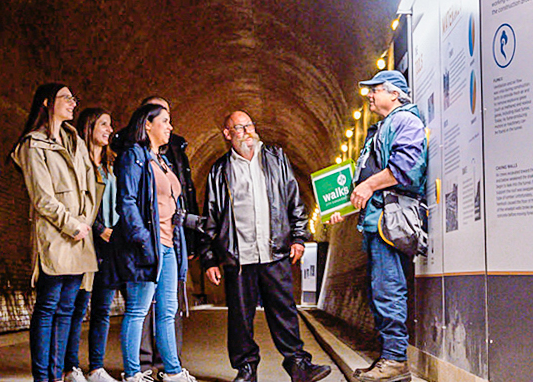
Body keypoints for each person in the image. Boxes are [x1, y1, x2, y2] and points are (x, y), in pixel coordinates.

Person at [201, 111, 332, 382]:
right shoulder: (219, 170)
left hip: (274, 252)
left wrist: (298, 237)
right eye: (240, 128)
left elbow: (293, 199)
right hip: (238, 257)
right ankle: (246, 368)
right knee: (240, 317)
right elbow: (211, 216)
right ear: (228, 134)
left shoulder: (275, 158)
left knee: (283, 310)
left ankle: (298, 364)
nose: (248, 132)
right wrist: (209, 257)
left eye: (250, 126)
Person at [329, 71, 427, 382]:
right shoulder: (380, 129)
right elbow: (366, 180)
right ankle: (388, 358)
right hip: (376, 221)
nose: (370, 96)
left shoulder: (405, 122)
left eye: (376, 90)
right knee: (380, 291)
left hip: (391, 221)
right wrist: (343, 210)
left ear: (395, 94)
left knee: (389, 290)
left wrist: (369, 185)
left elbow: (405, 168)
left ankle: (396, 361)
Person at [12, 83, 98, 382]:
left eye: (74, 97)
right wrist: (73, 225)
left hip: (79, 234)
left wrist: (85, 220)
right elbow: (42, 197)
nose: (73, 103)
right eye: (66, 98)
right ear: (47, 103)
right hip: (54, 234)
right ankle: (42, 377)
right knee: (48, 307)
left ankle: (57, 375)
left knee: (67, 308)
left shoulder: (77, 142)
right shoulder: (32, 144)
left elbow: (91, 187)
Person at [111, 96, 199, 376]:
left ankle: (173, 371)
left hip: (170, 244)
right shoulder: (133, 156)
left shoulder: (162, 160)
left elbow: (172, 204)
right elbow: (126, 202)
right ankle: (133, 373)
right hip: (147, 246)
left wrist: (196, 224)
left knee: (167, 311)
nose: (170, 127)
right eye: (165, 122)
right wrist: (142, 241)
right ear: (147, 125)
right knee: (138, 310)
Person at [63, 107, 119, 382]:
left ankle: (96, 367)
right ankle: (70, 366)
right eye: (104, 124)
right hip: (86, 239)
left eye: (110, 125)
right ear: (89, 126)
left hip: (110, 243)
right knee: (77, 305)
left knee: (102, 308)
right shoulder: (78, 160)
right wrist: (99, 229)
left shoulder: (113, 163)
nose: (110, 130)